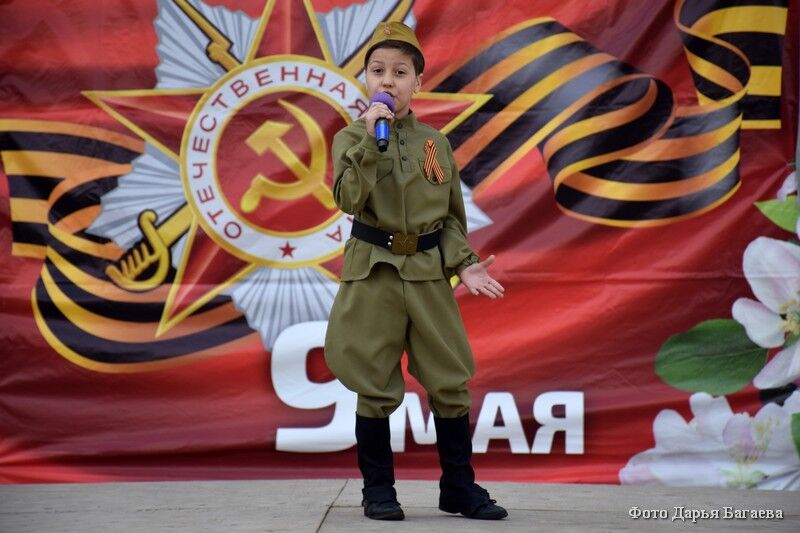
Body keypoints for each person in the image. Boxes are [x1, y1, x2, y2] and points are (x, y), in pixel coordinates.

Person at [324, 20, 507, 521]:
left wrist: (465, 265)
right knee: (375, 382)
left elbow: (447, 217)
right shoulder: (350, 139)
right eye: (378, 70)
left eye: (400, 72)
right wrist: (370, 141)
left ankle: (459, 488)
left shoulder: (435, 143)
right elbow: (347, 198)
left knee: (451, 379)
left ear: (418, 82)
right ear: (365, 79)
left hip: (426, 273)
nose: (389, 81)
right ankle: (378, 491)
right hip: (373, 273)